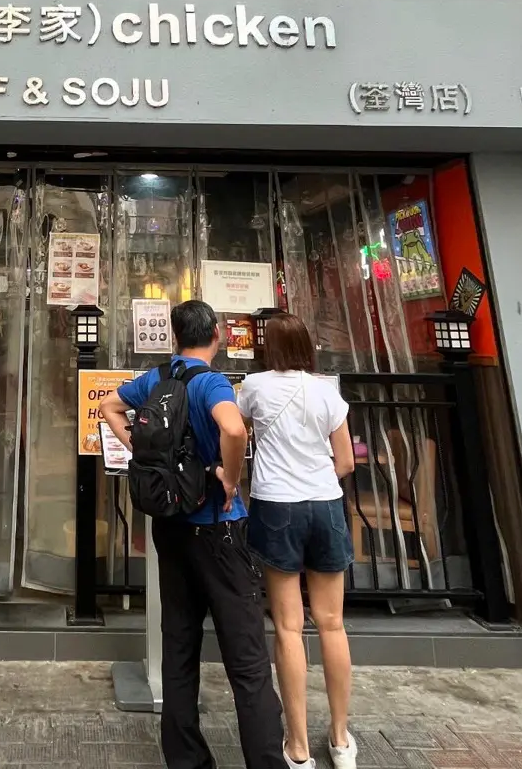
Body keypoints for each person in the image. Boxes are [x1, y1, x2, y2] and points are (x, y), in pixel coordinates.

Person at [99, 299, 286, 769]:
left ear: (174, 337)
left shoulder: (156, 379)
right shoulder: (211, 382)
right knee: (247, 660)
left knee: (178, 649)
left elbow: (109, 407)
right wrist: (229, 478)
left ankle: (187, 761)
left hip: (171, 530)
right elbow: (233, 428)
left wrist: (144, 453)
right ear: (216, 335)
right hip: (219, 532)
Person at [237, 313, 357, 769]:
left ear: (268, 347)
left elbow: (237, 432)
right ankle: (341, 740)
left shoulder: (254, 386)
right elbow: (345, 461)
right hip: (324, 503)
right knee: (332, 623)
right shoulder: (327, 391)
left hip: (276, 506)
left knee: (289, 626)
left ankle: (299, 747)